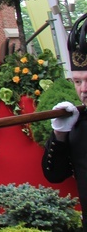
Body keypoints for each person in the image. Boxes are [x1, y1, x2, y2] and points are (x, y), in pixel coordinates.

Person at [42, 12, 87, 230]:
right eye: (77, 81)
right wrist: (60, 134)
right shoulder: (78, 123)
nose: (83, 90)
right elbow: (55, 175)